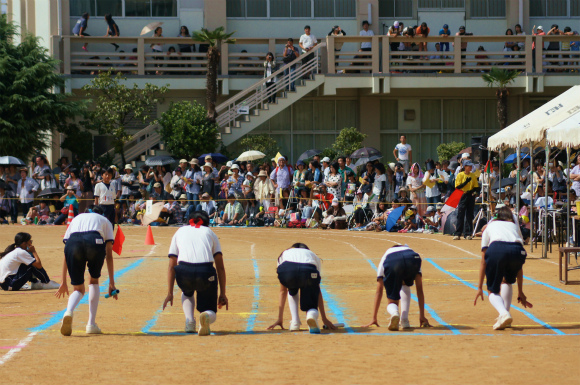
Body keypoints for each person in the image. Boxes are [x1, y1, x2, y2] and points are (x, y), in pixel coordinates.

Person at [163, 210, 228, 335]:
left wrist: (170, 293)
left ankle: (189, 321)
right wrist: (223, 294)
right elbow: (220, 267)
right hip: (205, 271)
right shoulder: (210, 232)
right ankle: (207, 316)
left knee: (187, 292)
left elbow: (171, 266)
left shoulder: (180, 231)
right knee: (210, 309)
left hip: (183, 270)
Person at [56, 206, 117, 336]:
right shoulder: (105, 220)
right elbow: (109, 255)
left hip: (73, 242)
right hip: (94, 240)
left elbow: (65, 254)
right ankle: (91, 324)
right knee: (94, 281)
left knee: (78, 289)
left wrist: (63, 281)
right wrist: (112, 282)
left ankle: (68, 312)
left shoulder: (77, 218)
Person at [474, 207, 531, 330]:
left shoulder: (489, 227)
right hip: (518, 250)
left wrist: (479, 287)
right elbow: (519, 269)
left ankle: (504, 313)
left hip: (497, 248)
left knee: (492, 291)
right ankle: (506, 316)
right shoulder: (514, 226)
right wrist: (520, 291)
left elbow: (484, 261)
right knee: (507, 281)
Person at [267, 243, 337, 333]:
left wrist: (280, 318)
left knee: (291, 289)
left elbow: (282, 291)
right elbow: (317, 289)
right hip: (308, 270)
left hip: (288, 270)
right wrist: (324, 318)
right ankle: (311, 315)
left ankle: (295, 322)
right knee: (311, 294)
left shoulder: (285, 253)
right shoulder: (312, 255)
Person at [364, 244, 430, 331]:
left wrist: (374, 318)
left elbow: (379, 292)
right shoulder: (410, 251)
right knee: (405, 284)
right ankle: (404, 320)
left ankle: (394, 312)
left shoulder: (385, 256)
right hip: (413, 258)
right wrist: (422, 316)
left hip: (393, 261)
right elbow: (419, 290)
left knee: (392, 301)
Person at [453, 161, 479, 240]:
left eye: (471, 166)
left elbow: (476, 187)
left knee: (469, 215)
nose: (470, 168)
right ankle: (458, 233)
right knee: (460, 214)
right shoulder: (460, 175)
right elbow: (458, 187)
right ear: (465, 166)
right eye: (469, 166)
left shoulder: (473, 175)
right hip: (462, 195)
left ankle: (468, 233)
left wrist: (474, 192)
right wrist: (466, 182)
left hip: (470, 195)